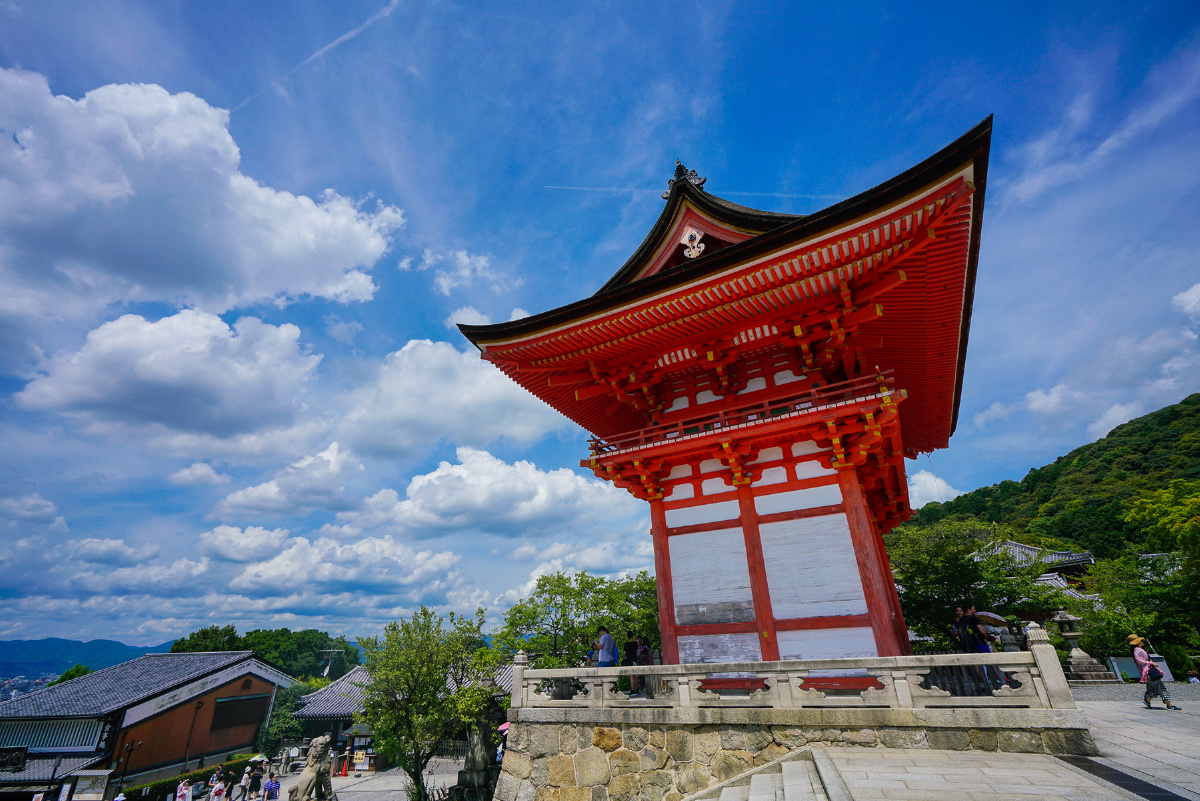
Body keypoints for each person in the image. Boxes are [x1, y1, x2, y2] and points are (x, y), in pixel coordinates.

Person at [1130, 634, 1180, 710]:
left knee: (1153, 689)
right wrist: (1151, 663)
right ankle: (1169, 704)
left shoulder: (1140, 650)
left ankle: (1147, 699)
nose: (1142, 642)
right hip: (1148, 671)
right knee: (1161, 687)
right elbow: (1139, 661)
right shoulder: (1137, 650)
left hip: (1149, 671)